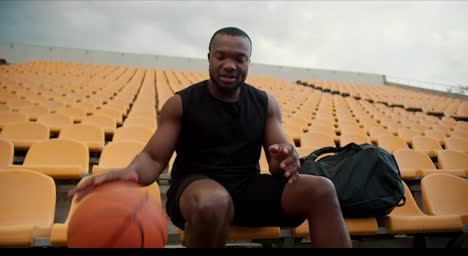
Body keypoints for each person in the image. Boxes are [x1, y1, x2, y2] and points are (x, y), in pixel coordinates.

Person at [69, 27, 352, 248]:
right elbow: (153, 159)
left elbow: (279, 166)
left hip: (246, 186)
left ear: (248, 63)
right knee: (214, 201)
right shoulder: (181, 103)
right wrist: (129, 173)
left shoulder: (265, 104)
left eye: (239, 58)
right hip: (195, 189)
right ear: (209, 58)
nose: (230, 65)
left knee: (322, 189)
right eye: (221, 56)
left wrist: (288, 158)